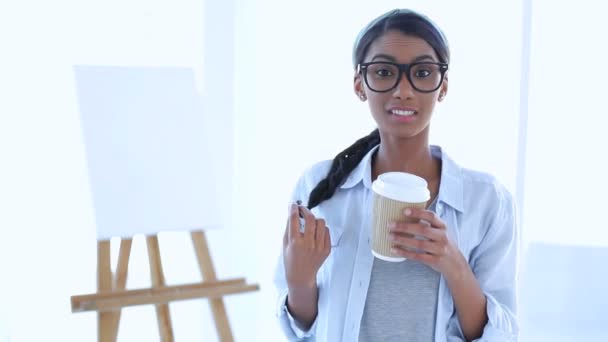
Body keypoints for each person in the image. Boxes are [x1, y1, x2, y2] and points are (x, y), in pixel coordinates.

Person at [274, 8, 519, 342]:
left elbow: (499, 334)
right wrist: (299, 282)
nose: (404, 90)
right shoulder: (318, 186)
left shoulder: (488, 201)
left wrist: (454, 265)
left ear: (443, 86)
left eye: (422, 72)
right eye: (385, 71)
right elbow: (301, 328)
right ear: (360, 84)